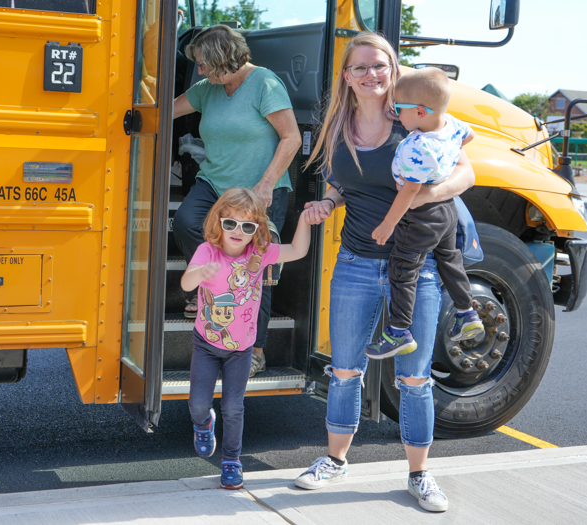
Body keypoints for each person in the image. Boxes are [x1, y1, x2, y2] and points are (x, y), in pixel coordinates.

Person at [295, 33, 475, 513]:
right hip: (355, 262)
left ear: (393, 69)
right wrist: (326, 202)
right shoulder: (338, 126)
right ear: (347, 77)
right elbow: (339, 180)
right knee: (345, 370)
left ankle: (419, 474)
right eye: (360, 68)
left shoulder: (414, 114)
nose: (371, 75)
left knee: (414, 378)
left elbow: (466, 171)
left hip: (417, 270)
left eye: (380, 66)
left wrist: (429, 195)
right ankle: (334, 461)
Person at [173, 24, 302, 378]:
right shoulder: (207, 90)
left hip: (256, 193)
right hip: (214, 185)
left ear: (220, 60)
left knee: (253, 268)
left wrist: (266, 184)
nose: (198, 71)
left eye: (202, 64)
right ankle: (207, 283)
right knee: (185, 221)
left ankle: (255, 349)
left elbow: (291, 138)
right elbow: (163, 112)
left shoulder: (265, 84)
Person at [180, 187, 311, 490]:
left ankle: (231, 461)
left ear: (256, 231)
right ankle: (203, 425)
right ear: (219, 222)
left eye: (247, 226)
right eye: (231, 223)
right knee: (198, 404)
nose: (238, 231)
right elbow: (187, 282)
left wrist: (304, 219)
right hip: (207, 345)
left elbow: (298, 250)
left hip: (241, 349)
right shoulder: (207, 252)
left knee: (234, 407)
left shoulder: (260, 254)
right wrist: (201, 273)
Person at [364, 67, 484, 360]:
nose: (395, 115)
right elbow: (469, 136)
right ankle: (467, 313)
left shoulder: (417, 146)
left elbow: (410, 192)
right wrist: (446, 159)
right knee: (449, 260)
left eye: (398, 109)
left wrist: (388, 225)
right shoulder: (450, 123)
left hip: (422, 218)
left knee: (404, 269)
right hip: (447, 212)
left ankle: (398, 331)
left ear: (419, 112)